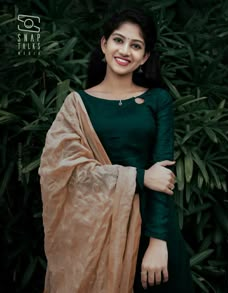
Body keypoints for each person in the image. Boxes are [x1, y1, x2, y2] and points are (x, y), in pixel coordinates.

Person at [39, 8, 194, 293]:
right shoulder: (78, 105)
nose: (125, 51)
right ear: (104, 44)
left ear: (145, 57)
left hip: (153, 228)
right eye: (118, 40)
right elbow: (61, 172)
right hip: (95, 236)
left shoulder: (157, 100)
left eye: (136, 45)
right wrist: (140, 177)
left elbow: (164, 174)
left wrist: (158, 243)